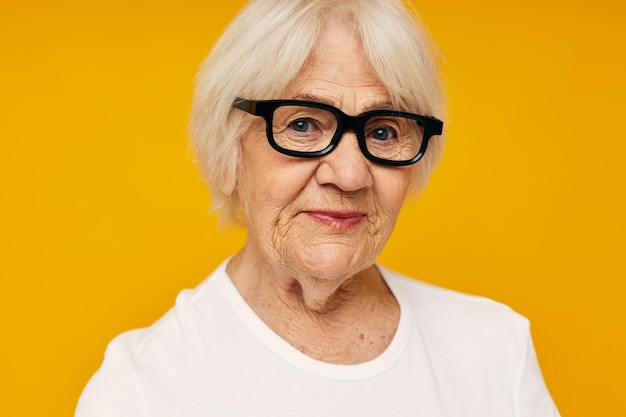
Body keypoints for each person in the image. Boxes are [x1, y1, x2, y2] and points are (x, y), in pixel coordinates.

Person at [76, 0, 560, 416]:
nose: (349, 175)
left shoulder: (495, 350)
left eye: (383, 132)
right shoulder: (140, 392)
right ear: (228, 152)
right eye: (304, 124)